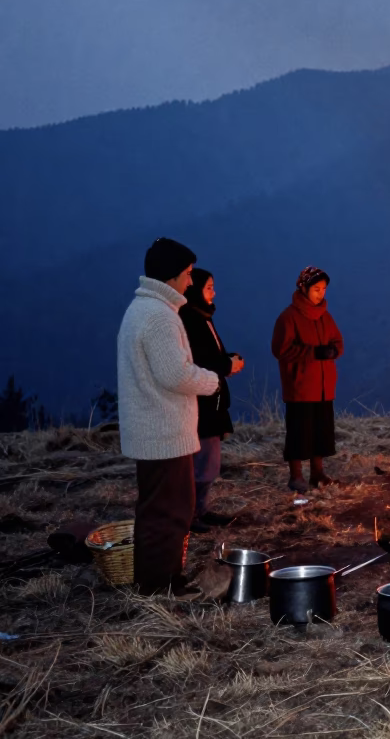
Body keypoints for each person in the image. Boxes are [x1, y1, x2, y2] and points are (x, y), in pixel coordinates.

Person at [117, 237, 220, 598]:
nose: (191, 281)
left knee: (158, 508)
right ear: (171, 275)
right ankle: (160, 584)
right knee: (172, 509)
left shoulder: (144, 309)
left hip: (153, 431)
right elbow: (175, 375)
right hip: (163, 432)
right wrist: (212, 380)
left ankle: (158, 579)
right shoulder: (159, 316)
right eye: (188, 274)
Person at [179, 268, 244, 533]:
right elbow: (198, 362)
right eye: (208, 288)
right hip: (201, 402)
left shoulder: (203, 317)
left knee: (209, 460)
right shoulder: (190, 321)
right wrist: (227, 365)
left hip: (212, 399)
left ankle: (201, 509)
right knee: (203, 462)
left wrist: (228, 359)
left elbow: (211, 354)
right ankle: (191, 514)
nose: (214, 293)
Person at [271, 266, 344, 493]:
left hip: (323, 387)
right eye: (316, 289)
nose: (320, 294)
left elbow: (338, 341)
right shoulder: (289, 317)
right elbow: (281, 350)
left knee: (321, 431)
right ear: (303, 288)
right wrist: (313, 353)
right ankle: (296, 476)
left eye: (323, 289)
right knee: (299, 432)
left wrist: (333, 351)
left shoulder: (325, 316)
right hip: (301, 386)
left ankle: (317, 473)